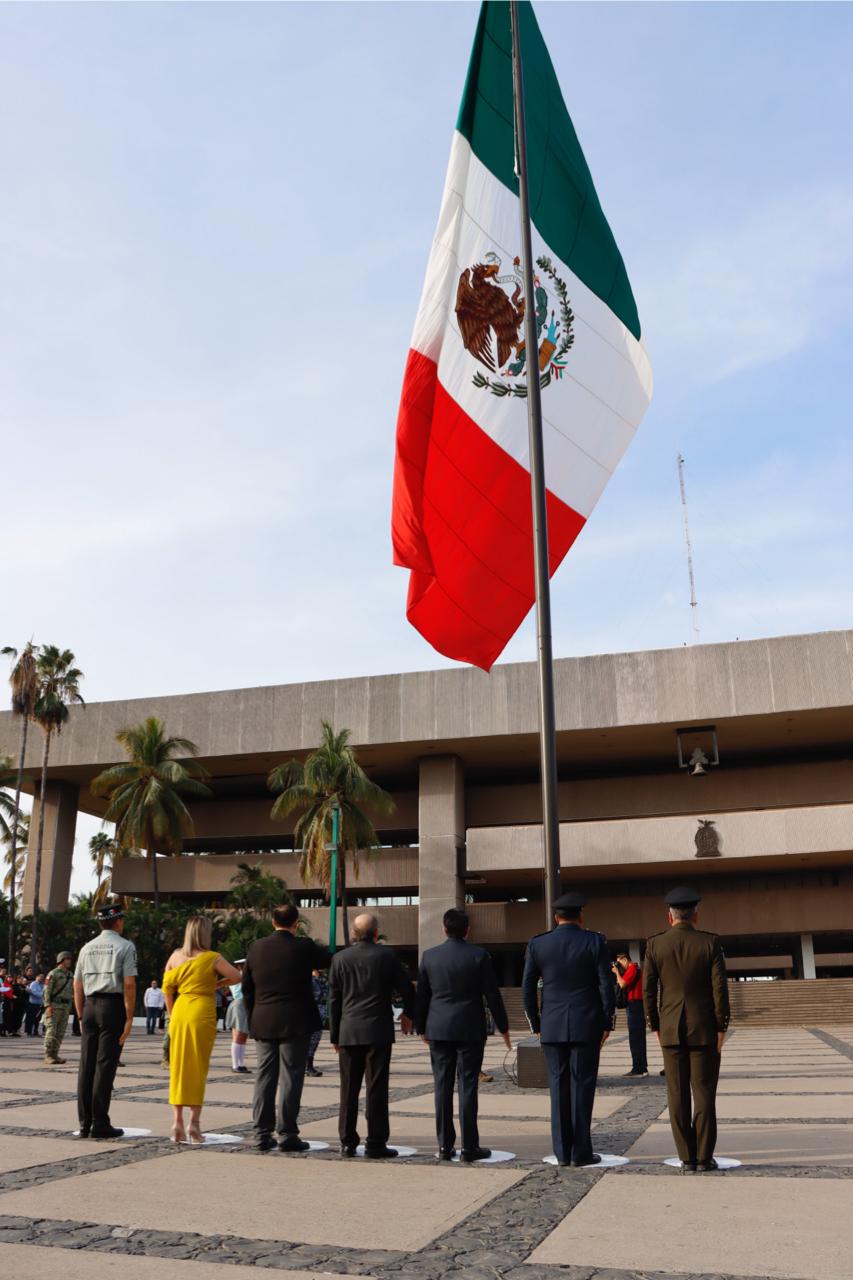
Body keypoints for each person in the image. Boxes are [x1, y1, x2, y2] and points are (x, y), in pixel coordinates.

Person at [522, 891, 614, 1168]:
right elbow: (605, 985)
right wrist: (606, 1021)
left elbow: (527, 987)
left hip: (551, 1024)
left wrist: (536, 1024)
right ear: (581, 916)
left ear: (555, 917)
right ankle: (581, 1152)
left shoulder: (539, 944)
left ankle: (562, 1152)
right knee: (583, 1086)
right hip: (587, 1024)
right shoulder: (594, 941)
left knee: (558, 1087)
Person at [643, 887, 730, 1174]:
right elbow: (720, 989)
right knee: (704, 1093)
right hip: (703, 1026)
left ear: (669, 917)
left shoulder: (656, 945)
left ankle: (687, 1157)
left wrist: (655, 1024)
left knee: (677, 1094)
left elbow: (648, 990)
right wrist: (722, 1026)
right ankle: (704, 1157)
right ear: (696, 915)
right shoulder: (709, 943)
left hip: (670, 1027)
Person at [416, 907, 510, 1162]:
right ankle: (470, 1146)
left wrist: (421, 1027)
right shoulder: (479, 955)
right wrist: (504, 1027)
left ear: (444, 929)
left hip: (438, 1028)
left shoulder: (429, 956)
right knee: (468, 1085)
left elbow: (422, 996)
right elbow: (492, 993)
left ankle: (445, 1146)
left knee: (442, 1086)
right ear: (467, 930)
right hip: (469, 1027)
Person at [241, 903, 331, 1152]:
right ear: (296, 923)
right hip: (295, 1020)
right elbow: (328, 958)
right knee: (291, 1076)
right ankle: (288, 1133)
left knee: (264, 1077)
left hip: (263, 1019)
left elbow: (247, 987)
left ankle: (261, 1133)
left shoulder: (256, 947)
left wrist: (253, 1015)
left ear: (272, 922)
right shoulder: (302, 946)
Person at [329, 911, 415, 1159]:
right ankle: (376, 1142)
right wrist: (408, 1014)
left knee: (348, 1088)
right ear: (376, 933)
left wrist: (335, 1034)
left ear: (355, 934)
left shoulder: (340, 959)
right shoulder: (386, 956)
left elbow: (334, 999)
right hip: (378, 1029)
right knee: (376, 1088)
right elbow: (407, 988)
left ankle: (347, 1141)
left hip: (348, 1030)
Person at [162, 916, 241, 1144]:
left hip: (180, 1010)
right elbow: (237, 976)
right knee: (197, 1066)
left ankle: (176, 1121)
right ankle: (194, 1125)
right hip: (201, 1010)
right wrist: (217, 984)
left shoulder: (175, 956)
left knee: (178, 1066)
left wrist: (171, 1014)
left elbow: (167, 988)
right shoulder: (211, 958)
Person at [74, 904, 137, 1139]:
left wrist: (81, 1015)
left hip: (89, 1005)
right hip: (112, 1006)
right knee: (105, 1065)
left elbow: (77, 985)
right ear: (118, 922)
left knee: (86, 1065)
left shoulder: (86, 948)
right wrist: (129, 1017)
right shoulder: (125, 946)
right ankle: (100, 1122)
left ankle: (84, 1122)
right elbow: (129, 984)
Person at [613, 951, 648, 1076]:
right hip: (635, 1004)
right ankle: (641, 1066)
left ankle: (638, 1068)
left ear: (625, 960)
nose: (619, 965)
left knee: (635, 1037)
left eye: (620, 962)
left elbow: (622, 984)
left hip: (634, 1004)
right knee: (637, 1037)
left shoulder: (632, 968)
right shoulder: (634, 968)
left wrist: (617, 973)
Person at [43, 952, 75, 1064]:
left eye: (70, 959)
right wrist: (47, 1005)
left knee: (60, 1032)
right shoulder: (53, 973)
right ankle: (48, 1055)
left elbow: (72, 991)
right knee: (51, 1031)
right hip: (54, 1006)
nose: (69, 961)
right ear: (61, 960)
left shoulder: (70, 974)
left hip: (65, 1007)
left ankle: (55, 1054)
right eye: (67, 959)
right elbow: (46, 990)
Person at [225, 960, 251, 1073]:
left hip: (244, 1004)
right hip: (240, 1003)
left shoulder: (245, 976)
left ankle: (240, 1064)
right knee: (238, 1035)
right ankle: (236, 1065)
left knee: (243, 1036)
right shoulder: (239, 977)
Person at [306, 969, 328, 1077]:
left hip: (321, 1011)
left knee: (315, 1039)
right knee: (309, 1039)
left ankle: (309, 1065)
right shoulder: (307, 978)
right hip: (311, 1011)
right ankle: (307, 1066)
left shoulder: (322, 979)